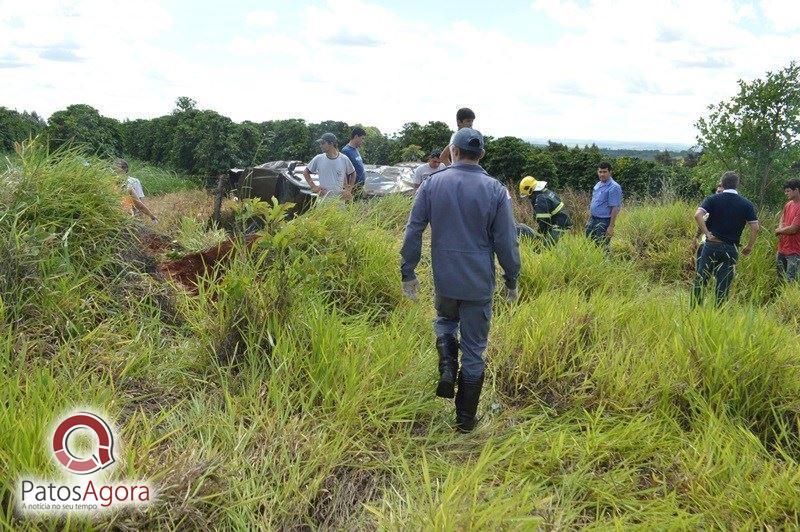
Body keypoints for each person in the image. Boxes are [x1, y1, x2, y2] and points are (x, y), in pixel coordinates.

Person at [400, 128, 520, 433]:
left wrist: (408, 271)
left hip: (445, 278)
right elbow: (507, 241)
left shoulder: (431, 183)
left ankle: (446, 366)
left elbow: (413, 230)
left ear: (452, 151)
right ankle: (465, 421)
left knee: (444, 320)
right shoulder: (495, 190)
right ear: (481, 154)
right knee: (475, 347)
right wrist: (511, 279)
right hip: (479, 282)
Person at [692, 171, 760, 306]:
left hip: (711, 245)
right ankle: (719, 314)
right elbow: (755, 227)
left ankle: (694, 311)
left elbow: (697, 215)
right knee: (723, 285)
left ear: (722, 183)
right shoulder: (746, 204)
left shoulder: (712, 199)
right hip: (731, 248)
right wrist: (749, 246)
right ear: (737, 184)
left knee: (701, 280)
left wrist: (707, 233)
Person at [518, 176, 572, 244]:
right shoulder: (547, 192)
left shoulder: (541, 199)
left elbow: (543, 222)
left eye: (528, 196)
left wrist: (539, 237)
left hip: (558, 229)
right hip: (562, 226)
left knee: (540, 249)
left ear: (531, 191)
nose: (529, 198)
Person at [303, 132, 356, 202]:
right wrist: (314, 187)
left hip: (339, 201)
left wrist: (348, 190)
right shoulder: (318, 158)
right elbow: (305, 172)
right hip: (323, 200)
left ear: (331, 143)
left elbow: (353, 173)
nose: (320, 146)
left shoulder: (344, 159)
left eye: (323, 143)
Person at [585, 161, 622, 249]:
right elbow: (595, 201)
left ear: (610, 172)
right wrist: (589, 218)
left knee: (602, 245)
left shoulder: (614, 187)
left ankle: (606, 262)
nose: (602, 174)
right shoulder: (598, 184)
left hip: (604, 221)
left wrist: (611, 227)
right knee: (589, 242)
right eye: (600, 172)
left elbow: (615, 208)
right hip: (593, 219)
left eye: (605, 172)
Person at [115, 159, 158, 224]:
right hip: (117, 218)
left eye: (117, 168)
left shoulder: (133, 183)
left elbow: (139, 202)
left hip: (129, 218)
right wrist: (151, 216)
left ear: (125, 169)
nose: (115, 171)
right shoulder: (110, 183)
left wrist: (146, 216)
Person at [692, 182, 724, 262]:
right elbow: (701, 225)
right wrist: (695, 239)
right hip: (707, 243)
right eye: (718, 192)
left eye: (722, 192)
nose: (719, 194)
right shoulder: (709, 209)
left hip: (724, 246)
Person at [776, 178, 800, 283]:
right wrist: (780, 227)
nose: (786, 193)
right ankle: (779, 299)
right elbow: (782, 217)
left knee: (791, 280)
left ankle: (789, 299)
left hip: (794, 251)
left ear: (796, 190)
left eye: (788, 190)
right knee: (780, 279)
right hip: (782, 248)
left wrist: (779, 231)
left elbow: (794, 229)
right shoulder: (788, 204)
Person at [340, 127, 367, 198]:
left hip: (359, 188)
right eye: (362, 138)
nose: (363, 141)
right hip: (352, 189)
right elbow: (343, 172)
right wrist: (348, 190)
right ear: (356, 136)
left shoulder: (355, 150)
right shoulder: (346, 151)